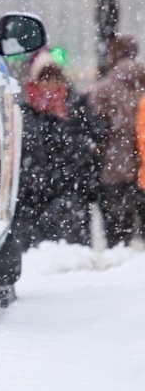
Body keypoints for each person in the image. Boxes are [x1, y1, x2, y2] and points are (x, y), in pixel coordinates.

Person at [14, 52, 101, 246]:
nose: (50, 84)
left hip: (69, 199)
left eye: (54, 77)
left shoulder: (76, 108)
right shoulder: (21, 113)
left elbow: (87, 150)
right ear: (34, 81)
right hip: (31, 202)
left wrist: (88, 186)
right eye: (44, 78)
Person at [86, 35, 145, 247]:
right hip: (142, 170)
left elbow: (93, 127)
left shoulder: (103, 89)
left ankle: (119, 257)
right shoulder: (142, 84)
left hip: (114, 168)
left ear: (113, 55)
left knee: (118, 232)